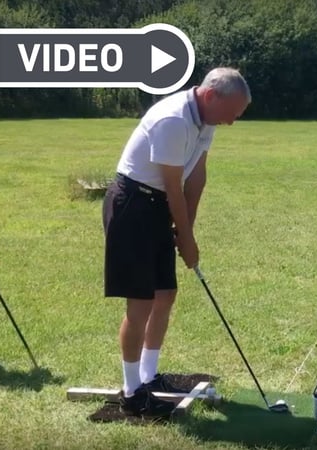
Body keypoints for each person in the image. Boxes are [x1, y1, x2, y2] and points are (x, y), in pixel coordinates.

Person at [101, 67, 251, 417]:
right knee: (140, 301)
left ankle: (149, 377)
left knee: (166, 294)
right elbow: (172, 188)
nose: (232, 122)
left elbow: (195, 178)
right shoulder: (173, 120)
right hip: (133, 205)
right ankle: (132, 392)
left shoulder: (206, 121)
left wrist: (189, 232)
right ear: (212, 96)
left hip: (156, 205)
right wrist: (184, 237)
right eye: (232, 113)